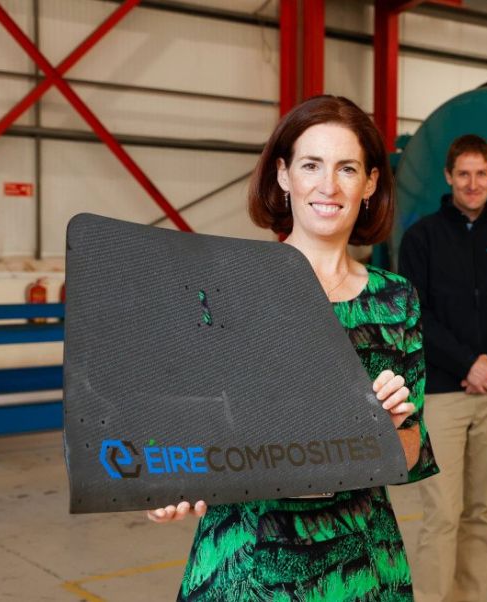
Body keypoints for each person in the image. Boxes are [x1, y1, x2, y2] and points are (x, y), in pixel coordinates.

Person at [146, 95, 438, 601]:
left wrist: (389, 430)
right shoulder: (225, 287)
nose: (328, 185)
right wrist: (160, 487)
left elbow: (411, 452)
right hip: (245, 562)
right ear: (283, 176)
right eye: (311, 164)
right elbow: (178, 429)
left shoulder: (394, 301)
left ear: (370, 182)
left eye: (347, 168)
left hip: (360, 565)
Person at [399, 134, 487, 602]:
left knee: (481, 510)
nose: (473, 183)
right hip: (443, 392)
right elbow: (415, 312)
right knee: (442, 512)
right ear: (448, 177)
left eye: (481, 174)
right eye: (464, 174)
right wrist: (468, 363)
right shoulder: (422, 238)